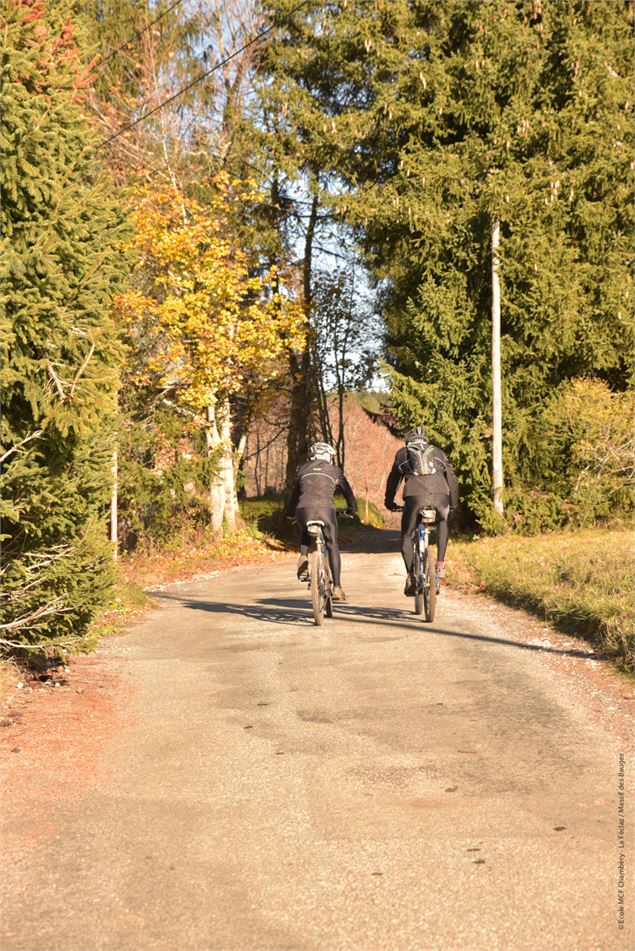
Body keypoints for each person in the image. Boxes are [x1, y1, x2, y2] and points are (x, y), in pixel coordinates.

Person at [384, 426, 459, 595]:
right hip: (441, 495)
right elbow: (452, 479)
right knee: (443, 522)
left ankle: (411, 576)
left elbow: (393, 480)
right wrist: (453, 503)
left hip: (414, 496)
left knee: (407, 536)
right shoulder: (439, 452)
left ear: (408, 441)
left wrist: (389, 502)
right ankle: (440, 564)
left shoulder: (403, 453)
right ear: (426, 440)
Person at [285, 442, 357, 602]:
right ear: (329, 457)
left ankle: (303, 556)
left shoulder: (302, 469)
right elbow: (348, 493)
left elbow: (294, 494)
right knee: (332, 545)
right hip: (326, 511)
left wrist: (290, 513)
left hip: (303, 511)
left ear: (312, 455)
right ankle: (337, 587)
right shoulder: (334, 470)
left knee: (304, 528)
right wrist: (352, 509)